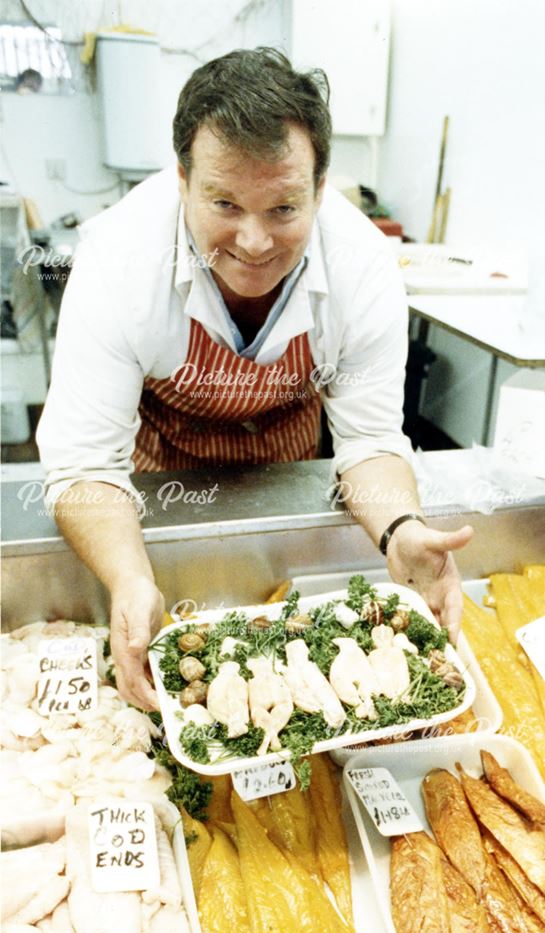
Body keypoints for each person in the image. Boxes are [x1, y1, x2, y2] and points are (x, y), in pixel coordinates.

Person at [37, 48, 472, 710]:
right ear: (181, 178)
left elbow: (371, 439)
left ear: (319, 190)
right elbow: (82, 465)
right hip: (157, 488)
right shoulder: (119, 260)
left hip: (286, 478)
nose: (253, 240)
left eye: (283, 209)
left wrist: (398, 528)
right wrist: (129, 578)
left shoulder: (362, 267)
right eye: (223, 202)